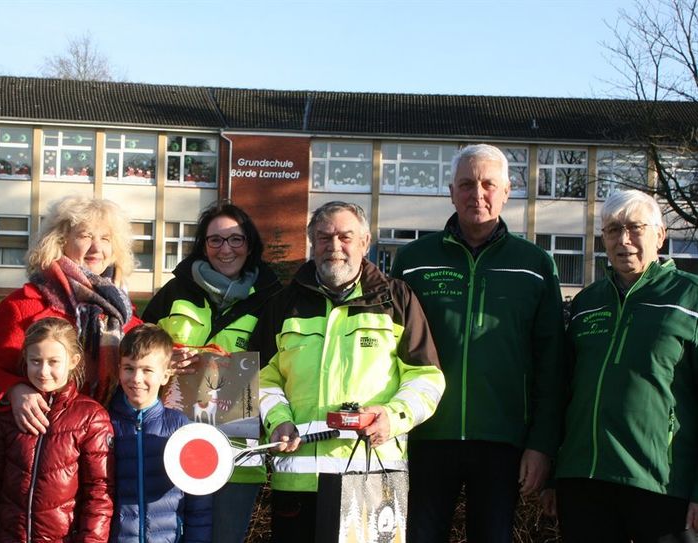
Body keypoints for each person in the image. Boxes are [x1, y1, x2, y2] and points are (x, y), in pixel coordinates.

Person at [390, 143, 564, 543]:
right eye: (467, 184)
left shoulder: (535, 264)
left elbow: (552, 363)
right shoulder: (414, 260)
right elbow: (391, 348)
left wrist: (540, 446)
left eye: (489, 184)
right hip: (426, 434)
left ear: (507, 191)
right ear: (451, 191)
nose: (477, 194)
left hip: (503, 441)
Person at [255, 201, 445, 542]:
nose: (335, 246)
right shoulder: (284, 305)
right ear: (312, 241)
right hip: (299, 479)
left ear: (365, 241)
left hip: (372, 477)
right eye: (325, 237)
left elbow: (426, 378)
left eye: (345, 236)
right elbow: (262, 378)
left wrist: (393, 416)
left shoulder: (395, 300)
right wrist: (277, 419)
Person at [546, 189, 698, 542]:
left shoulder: (690, 298)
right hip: (584, 478)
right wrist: (555, 474)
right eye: (613, 230)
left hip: (660, 482)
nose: (623, 240)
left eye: (635, 228)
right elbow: (563, 392)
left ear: (660, 235)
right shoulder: (586, 303)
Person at [142, 200, 280, 543]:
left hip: (237, 453)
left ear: (250, 245)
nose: (226, 249)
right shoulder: (175, 292)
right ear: (203, 246)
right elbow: (139, 348)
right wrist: (164, 361)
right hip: (171, 443)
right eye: (215, 240)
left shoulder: (272, 298)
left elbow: (282, 369)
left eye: (235, 239)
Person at [0, 195, 142, 435]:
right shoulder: (23, 305)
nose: (97, 248)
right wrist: (15, 390)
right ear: (60, 240)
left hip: (106, 438)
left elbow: (145, 358)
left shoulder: (120, 309)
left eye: (105, 238)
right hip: (46, 440)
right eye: (85, 236)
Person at [0, 317, 115, 542]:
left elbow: (98, 494)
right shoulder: (7, 418)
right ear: (25, 360)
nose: (43, 371)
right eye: (35, 361)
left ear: (74, 360)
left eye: (53, 361)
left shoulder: (91, 418)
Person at [108, 323, 213, 542]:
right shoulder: (105, 424)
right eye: (129, 368)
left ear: (165, 376)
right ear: (118, 370)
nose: (136, 378)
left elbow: (198, 502)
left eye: (147, 370)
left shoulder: (180, 427)